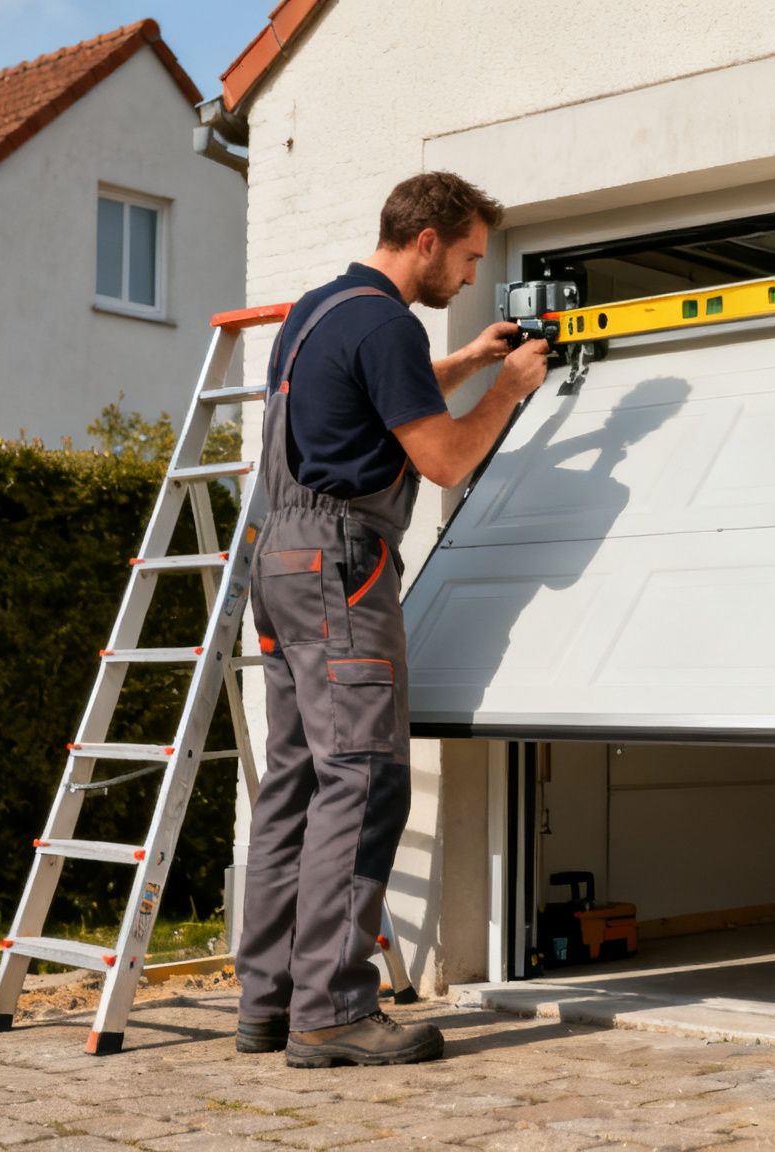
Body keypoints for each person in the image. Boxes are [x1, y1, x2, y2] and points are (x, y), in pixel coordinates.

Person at [234, 172, 548, 1068]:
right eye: (468, 257)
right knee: (364, 780)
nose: (469, 276)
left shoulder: (322, 312)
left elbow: (380, 399)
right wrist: (510, 391)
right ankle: (332, 1011)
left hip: (279, 563)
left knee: (295, 784)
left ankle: (271, 1004)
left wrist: (472, 362)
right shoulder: (388, 323)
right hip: (340, 568)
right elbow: (443, 459)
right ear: (427, 241)